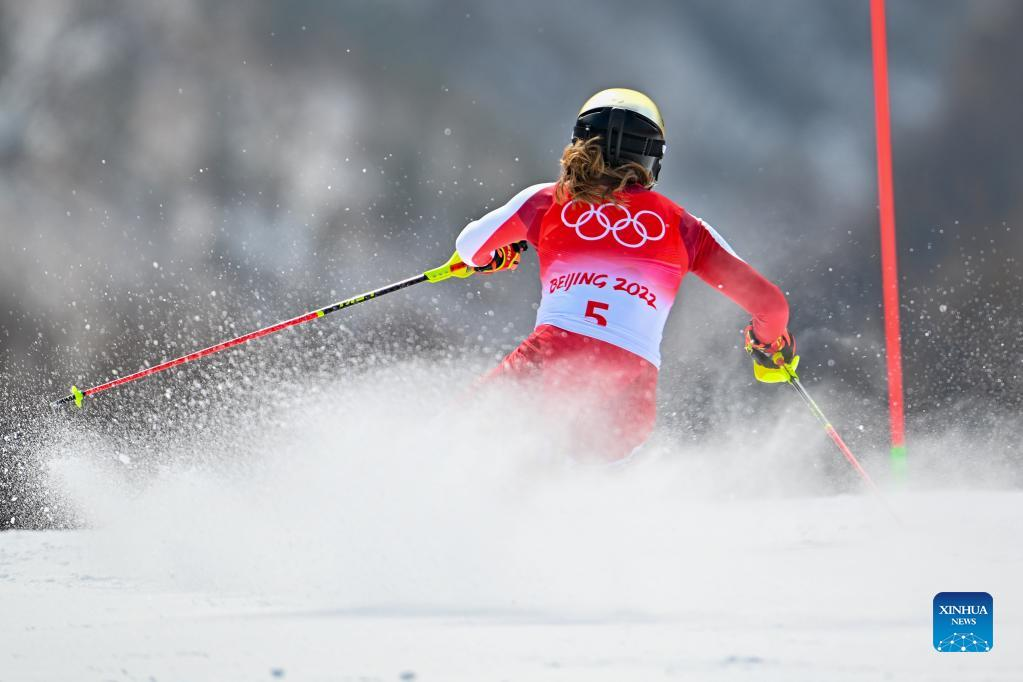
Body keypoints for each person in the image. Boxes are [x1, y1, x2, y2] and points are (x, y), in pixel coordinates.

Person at [452, 88, 797, 462]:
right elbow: (771, 307)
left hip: (550, 358)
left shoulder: (548, 201)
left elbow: (469, 247)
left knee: (456, 445)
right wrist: (769, 346)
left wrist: (495, 256)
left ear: (579, 143)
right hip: (630, 392)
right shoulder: (686, 229)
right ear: (652, 159)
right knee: (572, 479)